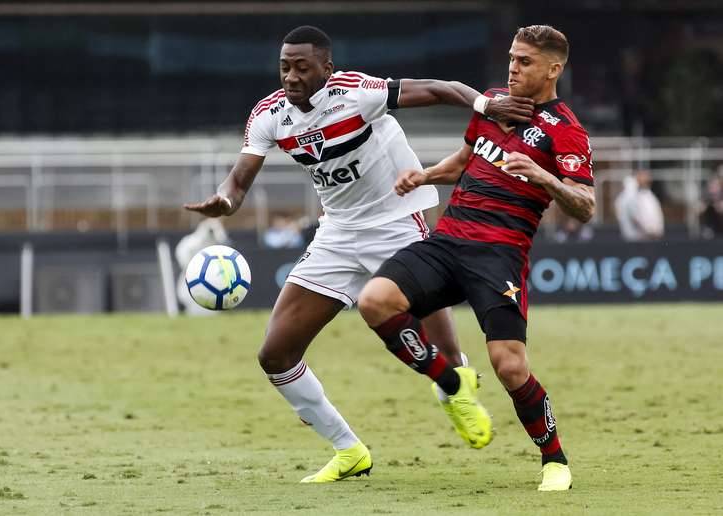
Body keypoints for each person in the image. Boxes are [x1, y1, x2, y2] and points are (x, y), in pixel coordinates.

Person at [184, 25, 534, 483]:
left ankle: (456, 386)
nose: (290, 76)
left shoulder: (356, 92)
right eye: (285, 67)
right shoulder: (269, 115)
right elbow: (238, 181)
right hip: (338, 233)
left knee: (446, 358)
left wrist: (488, 104)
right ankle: (349, 450)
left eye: (302, 67)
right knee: (275, 355)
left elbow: (436, 88)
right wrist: (225, 202)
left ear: (326, 69)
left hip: (395, 220)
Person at [358, 25, 594, 492]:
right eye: (511, 57)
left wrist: (543, 179)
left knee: (509, 366)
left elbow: (585, 206)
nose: (513, 67)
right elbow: (466, 160)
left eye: (525, 62)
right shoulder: (490, 102)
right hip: (448, 242)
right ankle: (452, 384)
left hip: (500, 256)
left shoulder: (565, 131)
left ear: (554, 69)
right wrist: (422, 175)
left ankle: (555, 461)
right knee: (375, 301)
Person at [615, 169, 664, 241]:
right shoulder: (629, 197)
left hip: (647, 237)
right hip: (637, 238)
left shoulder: (647, 195)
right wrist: (648, 231)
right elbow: (634, 217)